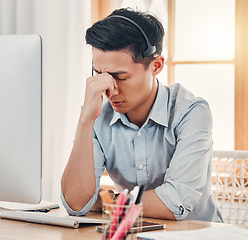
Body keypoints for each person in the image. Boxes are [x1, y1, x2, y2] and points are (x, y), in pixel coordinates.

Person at [60, 8, 223, 222]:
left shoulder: (191, 112)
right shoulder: (97, 111)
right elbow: (77, 205)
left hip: (195, 235)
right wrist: (86, 119)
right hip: (134, 233)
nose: (109, 90)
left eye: (121, 77)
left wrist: (109, 201)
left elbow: (175, 202)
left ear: (156, 66)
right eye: (99, 74)